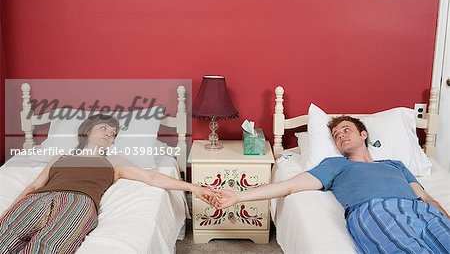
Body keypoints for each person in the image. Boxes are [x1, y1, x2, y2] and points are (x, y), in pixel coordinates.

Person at [212, 116, 450, 254]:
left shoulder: (395, 164)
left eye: (346, 130)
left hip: (419, 210)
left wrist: (443, 217)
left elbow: (426, 199)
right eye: (336, 135)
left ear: (363, 134)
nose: (341, 136)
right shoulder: (335, 165)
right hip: (376, 209)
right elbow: (290, 186)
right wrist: (239, 196)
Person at [0, 114, 216, 253]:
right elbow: (34, 186)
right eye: (104, 128)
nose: (109, 134)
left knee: (50, 245)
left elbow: (151, 177)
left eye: (112, 134)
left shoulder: (113, 161)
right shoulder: (60, 158)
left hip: (78, 202)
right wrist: (10, 210)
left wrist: (194, 188)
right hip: (38, 199)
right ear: (87, 131)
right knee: (5, 235)